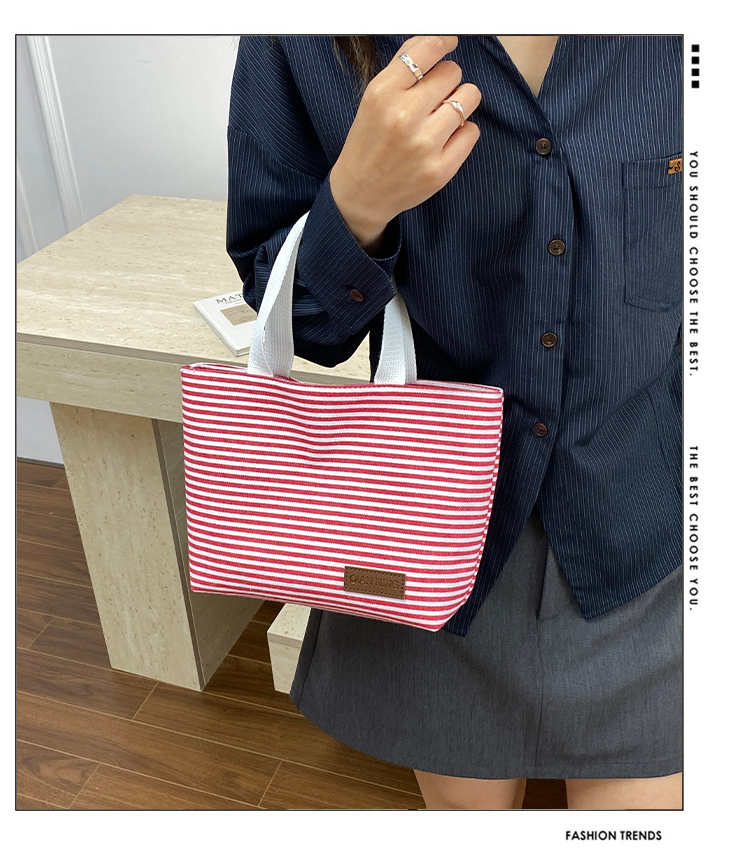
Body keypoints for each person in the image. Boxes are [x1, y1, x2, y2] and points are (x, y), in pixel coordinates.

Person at [225, 34, 682, 810]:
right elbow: (298, 320)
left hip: (647, 532)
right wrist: (357, 204)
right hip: (428, 540)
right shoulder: (306, 35)